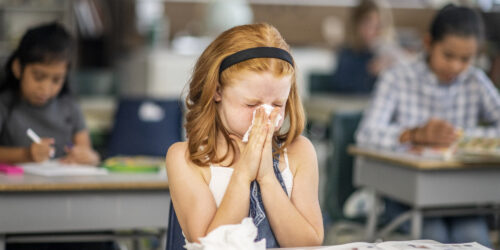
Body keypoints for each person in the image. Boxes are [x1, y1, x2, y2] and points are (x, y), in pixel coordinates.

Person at [166, 23, 324, 248]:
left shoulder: (299, 152)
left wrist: (267, 178)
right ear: (217, 91)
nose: (266, 115)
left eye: (278, 104)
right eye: (252, 104)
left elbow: (308, 243)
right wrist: (242, 175)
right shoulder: (185, 158)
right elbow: (210, 244)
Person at [356, 4, 497, 247]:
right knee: (435, 239)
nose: (456, 67)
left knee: (473, 239)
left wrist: (463, 137)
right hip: (404, 196)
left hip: (460, 198)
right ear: (429, 43)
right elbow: (366, 134)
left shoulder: (475, 80)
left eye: (465, 59)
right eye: (448, 55)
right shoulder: (397, 78)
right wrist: (414, 134)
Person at [0, 22, 99, 165]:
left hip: (61, 184)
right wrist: (26, 154)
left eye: (57, 80)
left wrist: (89, 157)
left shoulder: (69, 106)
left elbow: (88, 152)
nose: (46, 89)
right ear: (18, 68)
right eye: (38, 77)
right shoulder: (4, 105)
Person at [329, 0, 404, 93]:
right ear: (355, 25)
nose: (371, 31)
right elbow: (340, 89)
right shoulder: (347, 54)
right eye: (367, 25)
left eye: (377, 26)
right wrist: (369, 73)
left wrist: (391, 71)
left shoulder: (388, 54)